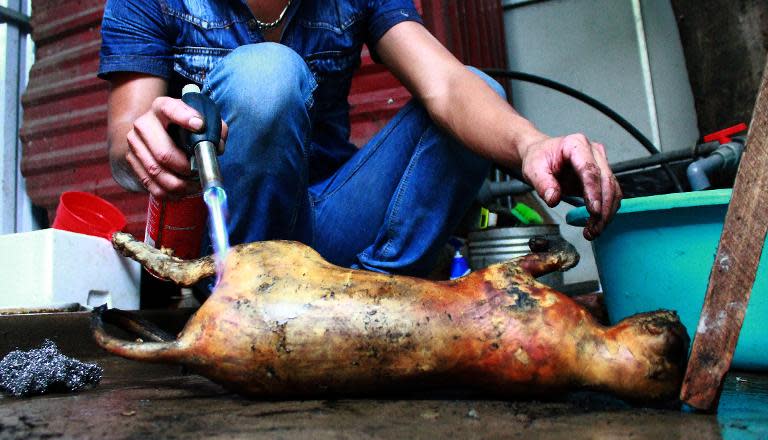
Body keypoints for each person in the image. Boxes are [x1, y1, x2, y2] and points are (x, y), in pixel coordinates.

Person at [99, 0, 621, 280]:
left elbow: (446, 84)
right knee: (266, 75)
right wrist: (151, 146)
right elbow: (126, 141)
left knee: (478, 91)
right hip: (230, 242)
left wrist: (531, 145)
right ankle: (249, 301)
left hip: (334, 222)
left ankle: (375, 301)